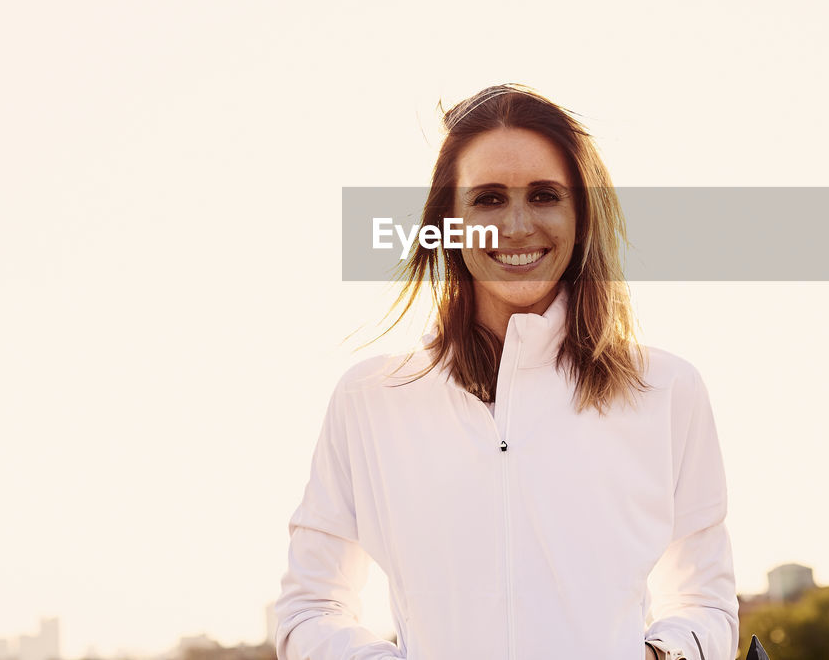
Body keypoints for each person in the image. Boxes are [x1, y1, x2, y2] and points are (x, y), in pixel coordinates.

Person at [274, 84, 738, 660]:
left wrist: (659, 657)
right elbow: (308, 610)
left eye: (545, 195)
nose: (516, 226)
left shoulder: (667, 390)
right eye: (488, 198)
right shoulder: (370, 399)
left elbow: (707, 605)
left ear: (582, 215)